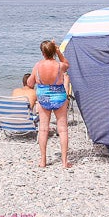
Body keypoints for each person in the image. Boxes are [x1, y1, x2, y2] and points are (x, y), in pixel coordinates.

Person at [31, 40, 71, 169]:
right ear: (53, 51)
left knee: (43, 129)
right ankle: (64, 162)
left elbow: (31, 82)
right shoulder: (59, 66)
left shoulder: (37, 66)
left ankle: (43, 161)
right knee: (63, 129)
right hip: (59, 97)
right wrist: (59, 51)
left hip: (43, 97)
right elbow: (67, 64)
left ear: (42, 52)